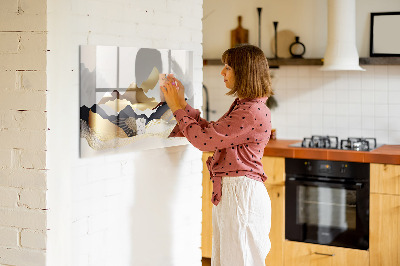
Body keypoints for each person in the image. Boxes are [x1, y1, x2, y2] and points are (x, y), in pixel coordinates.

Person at [161, 44, 273, 266]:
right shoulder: (246, 106)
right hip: (236, 193)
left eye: (228, 67)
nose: (222, 72)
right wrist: (182, 104)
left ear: (244, 72)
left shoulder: (250, 111)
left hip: (241, 195)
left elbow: (204, 141)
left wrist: (176, 108)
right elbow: (211, 133)